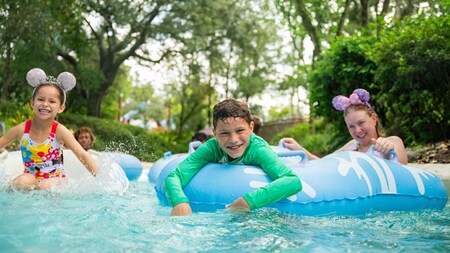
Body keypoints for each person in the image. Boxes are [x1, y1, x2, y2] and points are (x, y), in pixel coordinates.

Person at [164, 98, 303, 216]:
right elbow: (174, 176)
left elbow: (293, 181)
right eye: (224, 133)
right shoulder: (211, 148)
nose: (233, 139)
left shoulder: (258, 149)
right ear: (215, 133)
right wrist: (179, 202)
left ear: (251, 128)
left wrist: (247, 202)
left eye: (240, 130)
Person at [0, 68, 98, 190]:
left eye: (52, 101)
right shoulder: (22, 129)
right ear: (32, 103)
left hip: (56, 179)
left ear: (61, 108)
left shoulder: (60, 131)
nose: (45, 104)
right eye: (41, 99)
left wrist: (100, 179)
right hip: (32, 177)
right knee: (20, 181)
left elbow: (82, 155)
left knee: (46, 186)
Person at [281, 88, 408, 164]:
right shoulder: (351, 146)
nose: (357, 130)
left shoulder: (393, 142)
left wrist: (387, 154)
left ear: (373, 119)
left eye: (361, 123)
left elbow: (404, 175)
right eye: (351, 126)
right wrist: (299, 149)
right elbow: (325, 164)